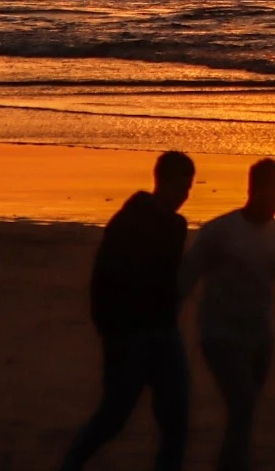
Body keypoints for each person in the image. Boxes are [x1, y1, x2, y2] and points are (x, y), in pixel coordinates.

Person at [179, 158, 275, 471]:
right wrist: (164, 316)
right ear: (255, 189)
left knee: (243, 412)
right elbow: (187, 275)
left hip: (260, 339)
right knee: (243, 404)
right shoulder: (219, 231)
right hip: (219, 334)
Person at [60, 149, 196, 471]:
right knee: (114, 416)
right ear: (161, 182)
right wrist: (108, 328)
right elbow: (103, 276)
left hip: (163, 330)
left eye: (188, 188)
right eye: (180, 187)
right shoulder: (128, 221)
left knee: (175, 418)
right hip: (128, 335)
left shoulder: (177, 226)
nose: (184, 195)